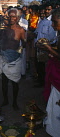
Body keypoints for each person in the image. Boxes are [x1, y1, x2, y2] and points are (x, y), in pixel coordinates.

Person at [0, 8, 26, 110]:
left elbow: (24, 43)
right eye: (10, 16)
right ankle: (5, 100)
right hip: (4, 58)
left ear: (17, 18)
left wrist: (18, 51)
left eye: (13, 16)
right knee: (4, 82)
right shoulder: (5, 28)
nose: (11, 18)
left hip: (15, 59)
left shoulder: (21, 30)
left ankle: (14, 102)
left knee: (15, 82)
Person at [36, 8, 60, 137]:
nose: (52, 25)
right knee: (53, 102)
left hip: (58, 77)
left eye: (55, 22)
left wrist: (50, 49)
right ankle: (52, 127)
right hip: (56, 73)